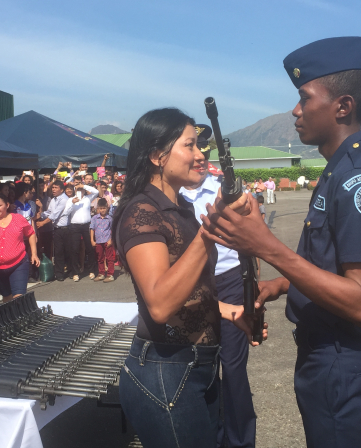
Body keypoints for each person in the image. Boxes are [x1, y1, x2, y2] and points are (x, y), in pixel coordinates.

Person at [201, 36, 361, 447]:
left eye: (304, 98)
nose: (295, 110)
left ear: (342, 106)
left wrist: (265, 245)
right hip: (325, 356)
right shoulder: (337, 170)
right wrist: (278, 285)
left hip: (342, 361)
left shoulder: (358, 180)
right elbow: (332, 267)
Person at [112, 108, 266, 448]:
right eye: (190, 146)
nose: (201, 156)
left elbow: (191, 288)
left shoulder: (179, 209)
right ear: (156, 156)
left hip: (197, 368)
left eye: (200, 147)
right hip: (166, 371)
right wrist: (208, 232)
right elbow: (160, 303)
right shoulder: (141, 213)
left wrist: (228, 311)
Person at [179, 124, 258, 448]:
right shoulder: (174, 195)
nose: (199, 158)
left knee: (234, 368)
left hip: (229, 281)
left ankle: (240, 441)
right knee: (200, 363)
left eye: (202, 152)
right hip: (193, 285)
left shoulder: (224, 190)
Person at [66, 183, 99, 281]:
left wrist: (83, 186)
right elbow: (66, 213)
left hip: (86, 225)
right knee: (74, 249)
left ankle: (91, 270)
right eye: (78, 189)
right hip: (74, 226)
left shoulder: (88, 198)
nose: (80, 191)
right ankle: (75, 272)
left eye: (82, 190)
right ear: (75, 190)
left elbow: (96, 191)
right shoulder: (70, 200)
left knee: (89, 248)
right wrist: (72, 202)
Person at [39, 180, 70, 281]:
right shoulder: (53, 200)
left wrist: (42, 223)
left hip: (66, 229)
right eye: (53, 187)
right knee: (58, 252)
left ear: (62, 189)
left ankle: (71, 270)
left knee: (68, 251)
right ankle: (59, 274)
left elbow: (54, 214)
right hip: (57, 229)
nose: (53, 189)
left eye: (56, 188)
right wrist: (39, 214)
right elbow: (48, 212)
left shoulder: (64, 199)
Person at [89, 198, 115, 282]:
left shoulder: (110, 218)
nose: (102, 210)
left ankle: (110, 274)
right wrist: (92, 240)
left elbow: (113, 230)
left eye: (104, 208)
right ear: (98, 208)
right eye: (100, 208)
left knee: (109, 258)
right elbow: (92, 229)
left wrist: (111, 240)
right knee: (100, 258)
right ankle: (101, 273)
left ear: (107, 208)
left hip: (107, 240)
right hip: (98, 241)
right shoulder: (94, 218)